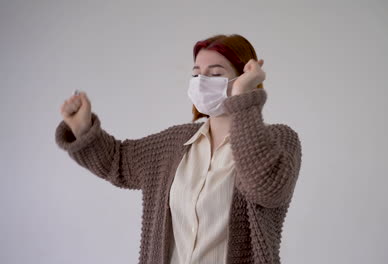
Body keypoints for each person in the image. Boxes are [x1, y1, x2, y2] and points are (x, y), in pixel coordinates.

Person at [55, 34, 302, 264]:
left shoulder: (279, 139)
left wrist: (242, 99)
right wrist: (83, 128)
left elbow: (267, 190)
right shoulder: (174, 144)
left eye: (215, 74)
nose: (202, 82)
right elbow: (117, 161)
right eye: (197, 74)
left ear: (243, 78)